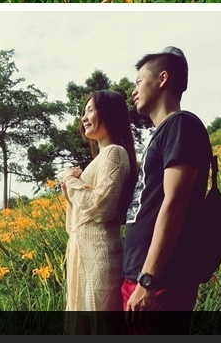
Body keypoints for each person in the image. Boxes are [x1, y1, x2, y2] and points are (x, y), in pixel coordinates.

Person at [122, 47, 211, 322]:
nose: (133, 90)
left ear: (162, 79)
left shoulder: (180, 126)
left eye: (139, 81)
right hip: (141, 276)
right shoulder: (162, 134)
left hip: (160, 281)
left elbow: (175, 204)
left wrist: (148, 279)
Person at [61, 90, 139, 332]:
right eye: (83, 112)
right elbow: (74, 221)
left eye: (91, 110)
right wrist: (70, 186)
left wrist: (69, 181)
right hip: (83, 255)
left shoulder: (114, 152)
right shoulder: (99, 159)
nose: (84, 117)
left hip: (99, 257)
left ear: (111, 114)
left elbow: (103, 206)